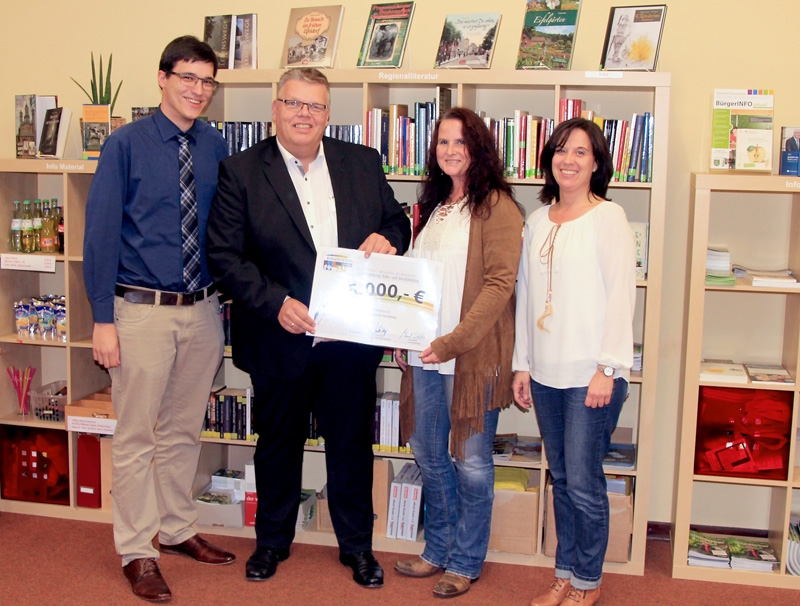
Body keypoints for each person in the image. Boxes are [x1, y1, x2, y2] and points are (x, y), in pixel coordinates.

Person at [206, 67, 411, 589]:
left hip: (348, 342)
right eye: (294, 104)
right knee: (278, 445)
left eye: (315, 106)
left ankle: (357, 549)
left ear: (327, 113)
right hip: (279, 338)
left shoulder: (361, 163)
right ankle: (272, 543)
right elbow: (225, 256)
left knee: (350, 448)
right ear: (275, 109)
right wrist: (275, 303)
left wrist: (389, 239)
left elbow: (398, 222)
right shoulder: (241, 170)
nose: (304, 114)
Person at [83, 35, 235, 603]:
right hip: (140, 311)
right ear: (163, 79)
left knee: (181, 430)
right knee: (137, 435)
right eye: (187, 78)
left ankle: (174, 529)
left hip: (201, 311)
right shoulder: (125, 144)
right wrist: (102, 319)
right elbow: (98, 233)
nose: (197, 90)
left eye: (207, 81)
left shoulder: (215, 145)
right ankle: (136, 550)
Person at [393, 107, 523, 599]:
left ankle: (466, 561)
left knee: (470, 461)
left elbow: (499, 285)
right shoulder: (433, 206)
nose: (449, 150)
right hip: (426, 356)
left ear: (479, 148)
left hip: (469, 357)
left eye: (460, 142)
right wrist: (405, 336)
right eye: (442, 141)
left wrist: (452, 342)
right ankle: (438, 550)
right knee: (428, 452)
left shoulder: (498, 207)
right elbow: (416, 281)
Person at [512, 117, 635, 606]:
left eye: (580, 152)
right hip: (545, 374)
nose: (569, 159)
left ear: (596, 163)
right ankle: (564, 573)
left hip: (591, 376)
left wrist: (607, 368)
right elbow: (524, 297)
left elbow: (622, 297)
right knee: (561, 478)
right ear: (550, 160)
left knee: (585, 483)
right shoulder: (537, 220)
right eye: (561, 150)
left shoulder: (610, 218)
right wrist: (523, 364)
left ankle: (588, 582)